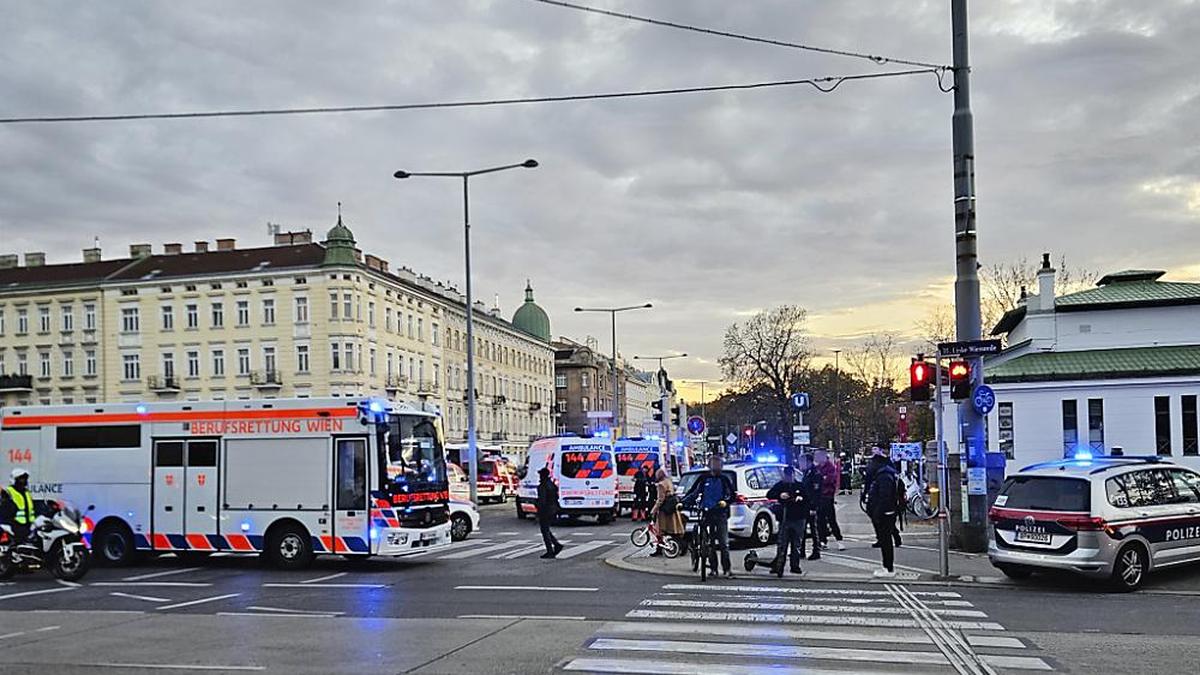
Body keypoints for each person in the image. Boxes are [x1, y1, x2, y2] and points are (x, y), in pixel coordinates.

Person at [681, 454, 737, 578]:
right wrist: (683, 502)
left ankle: (726, 569)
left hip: (720, 513)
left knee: (723, 543)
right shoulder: (703, 478)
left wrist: (725, 502)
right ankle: (713, 568)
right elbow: (694, 492)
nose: (716, 468)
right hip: (707, 513)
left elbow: (732, 495)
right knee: (710, 542)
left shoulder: (724, 479)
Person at [765, 465, 808, 576]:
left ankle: (795, 566)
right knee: (782, 544)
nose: (789, 478)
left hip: (798, 517)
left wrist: (801, 499)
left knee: (796, 544)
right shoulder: (781, 485)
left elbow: (808, 498)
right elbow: (769, 494)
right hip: (785, 518)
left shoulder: (800, 486)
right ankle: (779, 566)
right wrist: (780, 495)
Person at [865, 454, 900, 577]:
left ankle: (888, 568)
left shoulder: (884, 476)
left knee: (885, 540)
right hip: (885, 512)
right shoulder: (885, 474)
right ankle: (886, 566)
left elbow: (885, 496)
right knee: (885, 540)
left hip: (885, 513)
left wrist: (877, 512)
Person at [813, 450, 846, 551]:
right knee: (820, 520)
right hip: (819, 497)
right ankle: (823, 541)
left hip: (827, 496)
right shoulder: (817, 468)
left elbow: (829, 480)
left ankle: (839, 540)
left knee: (831, 519)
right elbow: (815, 481)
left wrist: (821, 480)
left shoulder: (830, 467)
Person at [649, 468, 684, 557]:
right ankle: (681, 547)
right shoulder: (668, 481)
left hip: (665, 511)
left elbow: (660, 499)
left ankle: (659, 549)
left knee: (660, 530)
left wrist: (653, 510)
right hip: (672, 509)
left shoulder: (661, 485)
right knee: (673, 530)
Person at [535, 467, 564, 559]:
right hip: (553, 509)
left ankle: (550, 550)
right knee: (546, 530)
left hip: (546, 510)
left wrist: (538, 510)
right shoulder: (551, 484)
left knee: (544, 530)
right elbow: (556, 497)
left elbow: (542, 501)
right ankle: (556, 545)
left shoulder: (543, 486)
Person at [1, 468, 35, 544]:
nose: (24, 481)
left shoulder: (26, 492)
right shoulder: (8, 492)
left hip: (29, 524)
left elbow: (32, 507)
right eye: (21, 479)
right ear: (14, 479)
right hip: (15, 525)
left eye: (25, 479)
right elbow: (6, 509)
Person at [800, 454, 824, 560]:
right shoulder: (806, 473)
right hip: (804, 505)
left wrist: (814, 508)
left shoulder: (815, 474)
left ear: (809, 462)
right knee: (802, 529)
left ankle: (816, 551)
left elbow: (816, 492)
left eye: (803, 461)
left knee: (814, 529)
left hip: (811, 506)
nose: (801, 464)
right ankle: (801, 551)